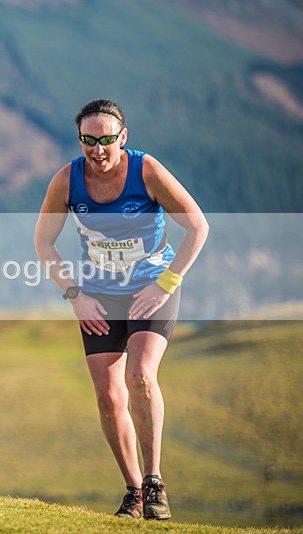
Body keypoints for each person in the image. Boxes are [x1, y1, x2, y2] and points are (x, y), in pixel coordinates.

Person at [34, 99, 208, 519]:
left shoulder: (146, 170)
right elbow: (43, 242)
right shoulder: (66, 181)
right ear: (80, 140)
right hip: (98, 294)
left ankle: (154, 482)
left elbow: (197, 225)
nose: (98, 150)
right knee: (108, 395)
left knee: (140, 376)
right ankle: (132, 491)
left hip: (151, 288)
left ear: (122, 138)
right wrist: (75, 294)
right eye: (89, 141)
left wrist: (167, 282)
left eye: (107, 140)